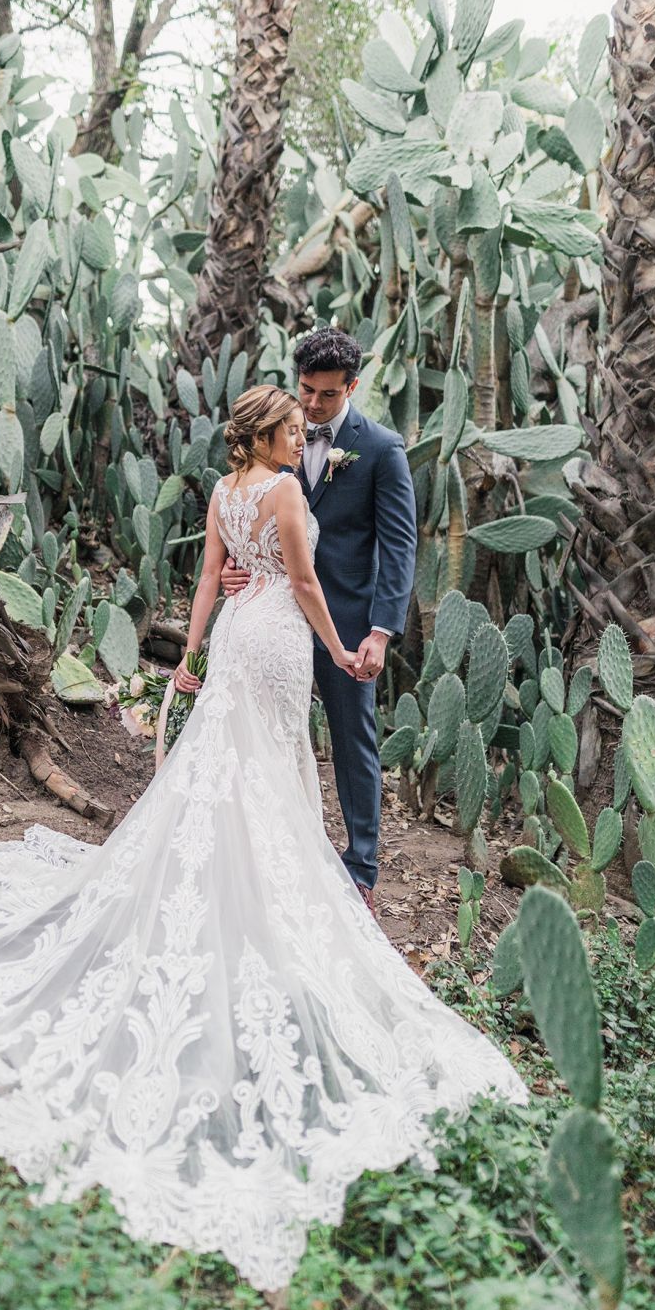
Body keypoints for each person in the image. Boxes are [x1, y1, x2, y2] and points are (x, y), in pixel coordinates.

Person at [0, 385, 525, 1294]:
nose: (302, 436)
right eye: (292, 428)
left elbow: (208, 580)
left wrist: (192, 656)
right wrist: (340, 649)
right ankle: (260, 904)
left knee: (225, 769)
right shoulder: (284, 494)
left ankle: (226, 886)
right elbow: (311, 584)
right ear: (270, 435)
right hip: (284, 640)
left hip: (241, 638)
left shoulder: (219, 492)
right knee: (269, 773)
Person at [221, 329, 416, 916]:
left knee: (353, 738)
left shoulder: (380, 449)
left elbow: (400, 546)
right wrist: (239, 567)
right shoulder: (273, 430)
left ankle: (359, 868)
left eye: (326, 395)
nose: (310, 405)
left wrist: (380, 631)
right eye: (305, 389)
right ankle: (255, 853)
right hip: (274, 618)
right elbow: (248, 510)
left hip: (347, 622)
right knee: (257, 733)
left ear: (351, 387)